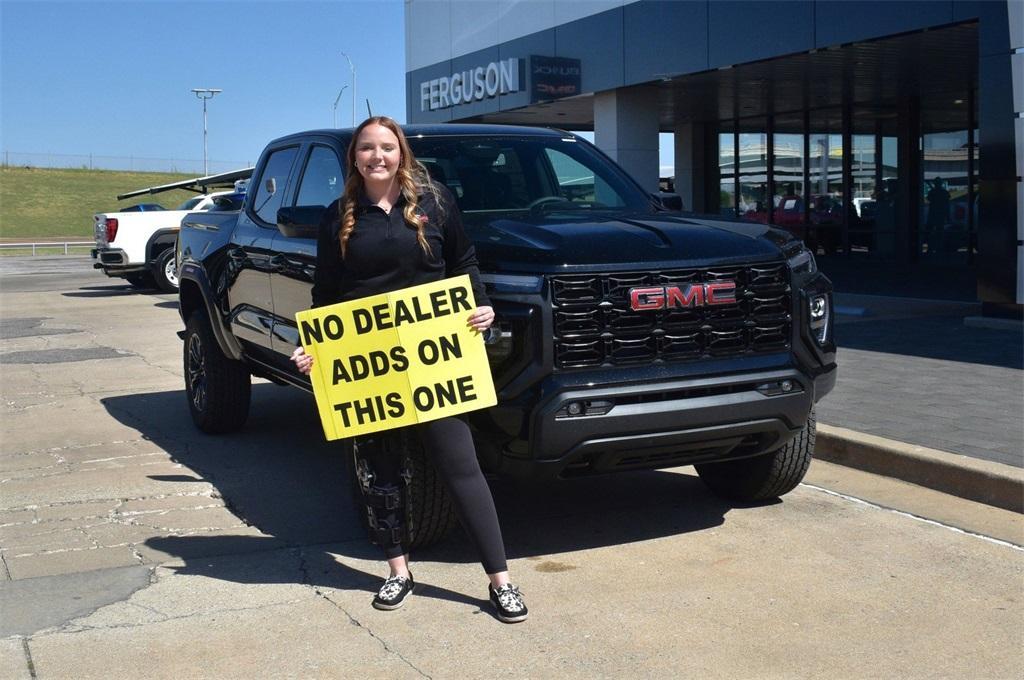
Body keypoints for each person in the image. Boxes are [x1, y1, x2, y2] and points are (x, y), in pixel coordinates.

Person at [290, 116, 528, 623]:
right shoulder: (339, 216)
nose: (378, 156)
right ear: (354, 157)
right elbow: (325, 294)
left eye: (387, 147)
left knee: (460, 466)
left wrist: (481, 306)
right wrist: (313, 348)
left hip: (434, 355)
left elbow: (463, 260)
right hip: (366, 363)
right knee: (381, 473)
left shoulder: (435, 201)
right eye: (367, 148)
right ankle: (398, 571)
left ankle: (500, 581)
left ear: (402, 153)